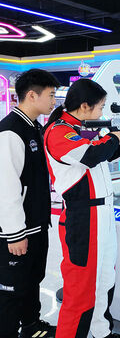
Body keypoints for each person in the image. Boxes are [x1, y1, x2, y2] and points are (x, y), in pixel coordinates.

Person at [43, 78, 120, 338]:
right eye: (101, 107)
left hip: (102, 213)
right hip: (83, 216)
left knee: (105, 280)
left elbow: (104, 155)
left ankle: (101, 332)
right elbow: (91, 155)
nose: (102, 112)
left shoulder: (82, 128)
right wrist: (114, 135)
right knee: (81, 288)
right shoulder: (59, 131)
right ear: (85, 106)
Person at [0, 69, 60, 338]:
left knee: (31, 280)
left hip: (36, 225)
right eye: (51, 95)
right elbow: (6, 189)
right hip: (17, 232)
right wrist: (14, 233)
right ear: (32, 95)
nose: (54, 101)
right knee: (11, 290)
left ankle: (31, 327)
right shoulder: (10, 131)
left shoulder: (33, 127)